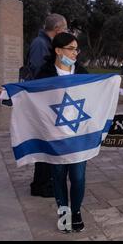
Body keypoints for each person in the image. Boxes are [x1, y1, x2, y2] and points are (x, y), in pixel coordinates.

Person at [35, 32, 89, 232]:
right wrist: (10, 94)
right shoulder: (45, 73)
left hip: (78, 135)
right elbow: (31, 96)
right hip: (54, 135)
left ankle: (76, 212)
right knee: (57, 176)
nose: (76, 53)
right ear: (58, 50)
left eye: (77, 49)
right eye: (71, 49)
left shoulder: (82, 72)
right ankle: (64, 215)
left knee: (78, 176)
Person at [27, 13, 68, 198]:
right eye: (65, 29)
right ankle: (40, 185)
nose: (65, 32)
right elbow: (38, 74)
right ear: (58, 29)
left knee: (49, 143)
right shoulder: (40, 44)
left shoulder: (46, 44)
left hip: (48, 100)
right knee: (45, 143)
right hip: (42, 101)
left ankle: (44, 181)